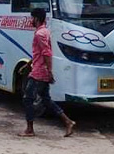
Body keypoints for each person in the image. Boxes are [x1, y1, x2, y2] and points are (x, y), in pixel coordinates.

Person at [19, 8, 76, 137]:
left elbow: (46, 53)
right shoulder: (44, 32)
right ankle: (68, 122)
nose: (30, 20)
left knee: (28, 99)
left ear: (37, 19)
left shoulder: (40, 34)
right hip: (40, 69)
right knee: (46, 100)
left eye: (32, 18)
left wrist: (49, 72)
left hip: (39, 72)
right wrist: (28, 64)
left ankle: (29, 129)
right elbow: (39, 54)